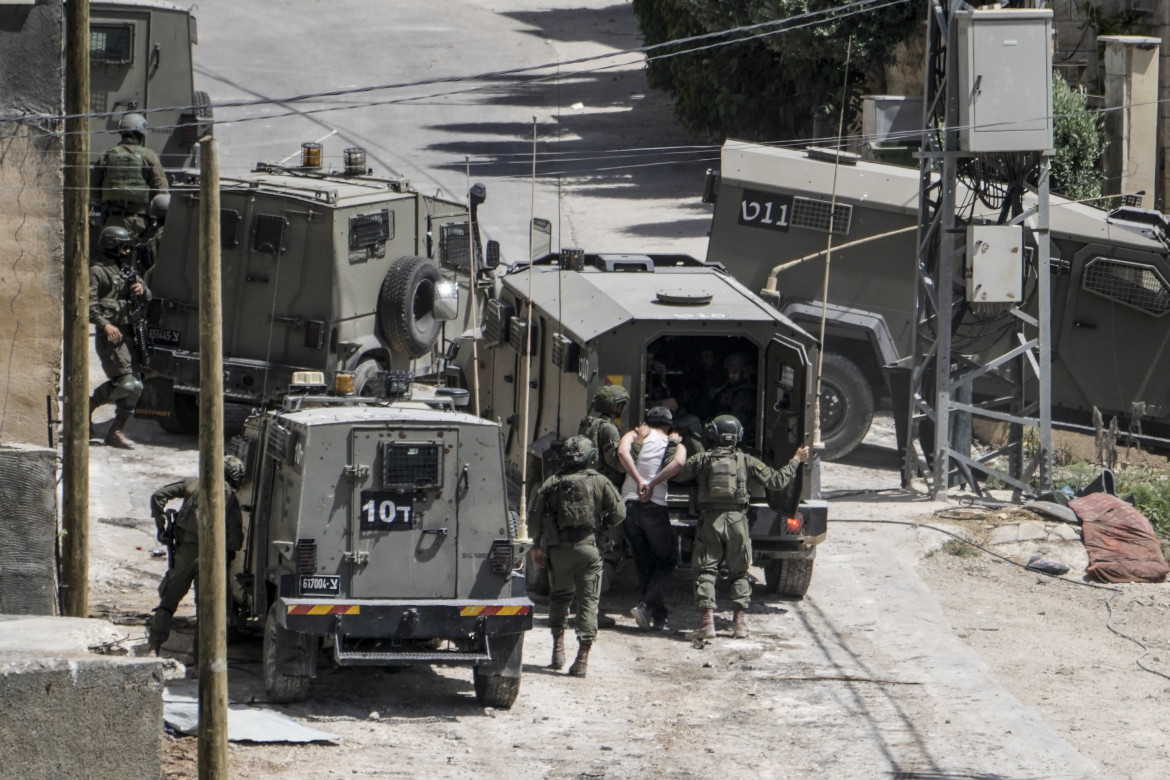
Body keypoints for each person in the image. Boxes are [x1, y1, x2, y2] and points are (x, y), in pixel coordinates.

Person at [672, 415, 809, 640]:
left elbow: (677, 474)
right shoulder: (746, 460)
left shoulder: (703, 459)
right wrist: (796, 459)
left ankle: (707, 623)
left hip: (710, 522)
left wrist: (674, 444)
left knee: (706, 571)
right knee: (739, 572)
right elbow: (777, 482)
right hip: (738, 522)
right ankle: (740, 624)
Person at [528, 436, 626, 678]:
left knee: (559, 598)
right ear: (590, 456)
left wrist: (536, 548)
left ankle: (558, 650)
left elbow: (534, 517)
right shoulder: (600, 481)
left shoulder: (552, 482)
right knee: (588, 603)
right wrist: (602, 523)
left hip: (558, 551)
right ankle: (581, 659)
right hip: (589, 551)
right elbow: (620, 513)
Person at [146, 456, 246, 655]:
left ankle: (153, 647)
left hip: (184, 553)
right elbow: (235, 538)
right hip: (212, 557)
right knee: (206, 611)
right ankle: (200, 663)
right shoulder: (230, 498)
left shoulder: (193, 483)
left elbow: (158, 496)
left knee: (169, 600)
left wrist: (161, 526)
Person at [617, 406, 686, 631]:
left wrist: (638, 480)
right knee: (667, 561)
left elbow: (622, 453)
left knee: (644, 560)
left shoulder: (633, 435)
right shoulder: (673, 443)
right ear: (668, 425)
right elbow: (679, 464)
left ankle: (657, 614)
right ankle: (647, 606)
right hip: (654, 507)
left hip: (627, 505)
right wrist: (652, 484)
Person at [89, 225, 151, 449]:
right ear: (110, 246)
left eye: (128, 248)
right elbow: (88, 304)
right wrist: (105, 325)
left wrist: (141, 290)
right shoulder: (98, 272)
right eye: (123, 248)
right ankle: (88, 406)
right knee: (126, 383)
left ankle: (115, 432)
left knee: (137, 387)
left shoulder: (129, 271)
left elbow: (148, 295)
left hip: (131, 335)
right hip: (112, 337)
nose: (126, 252)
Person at [577, 383, 630, 626]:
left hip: (586, 491)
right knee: (608, 551)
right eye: (620, 404)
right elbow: (616, 461)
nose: (622, 408)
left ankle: (580, 604)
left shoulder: (587, 423)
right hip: (603, 495)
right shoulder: (609, 429)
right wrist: (635, 449)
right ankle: (592, 608)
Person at [91, 112, 168, 234]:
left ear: (122, 133)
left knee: (111, 252)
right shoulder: (149, 156)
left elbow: (94, 189)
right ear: (141, 135)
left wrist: (104, 205)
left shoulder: (106, 156)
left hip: (111, 221)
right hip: (139, 223)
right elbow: (162, 191)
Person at [710, 352, 757, 444]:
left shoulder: (745, 394)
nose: (730, 376)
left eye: (734, 372)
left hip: (736, 437)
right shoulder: (731, 388)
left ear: (745, 373)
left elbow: (735, 421)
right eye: (728, 372)